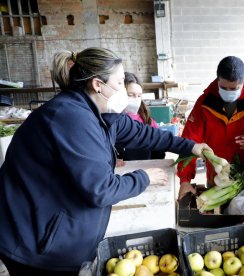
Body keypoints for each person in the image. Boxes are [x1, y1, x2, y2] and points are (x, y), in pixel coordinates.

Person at [0, 47, 211, 275]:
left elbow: (145, 134)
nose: (124, 91)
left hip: (51, 232)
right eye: (120, 83)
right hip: (32, 243)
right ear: (97, 84)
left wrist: (190, 146)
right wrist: (144, 177)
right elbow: (100, 189)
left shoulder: (100, 114)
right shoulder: (71, 118)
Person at [176, 56, 244, 200]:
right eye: (223, 88)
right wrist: (185, 181)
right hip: (217, 178)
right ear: (218, 80)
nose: (228, 91)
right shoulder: (204, 103)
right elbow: (189, 140)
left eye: (234, 88)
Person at [116, 71, 166, 161]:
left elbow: (159, 150)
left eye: (139, 96)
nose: (136, 100)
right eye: (130, 95)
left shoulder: (146, 119)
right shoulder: (111, 120)